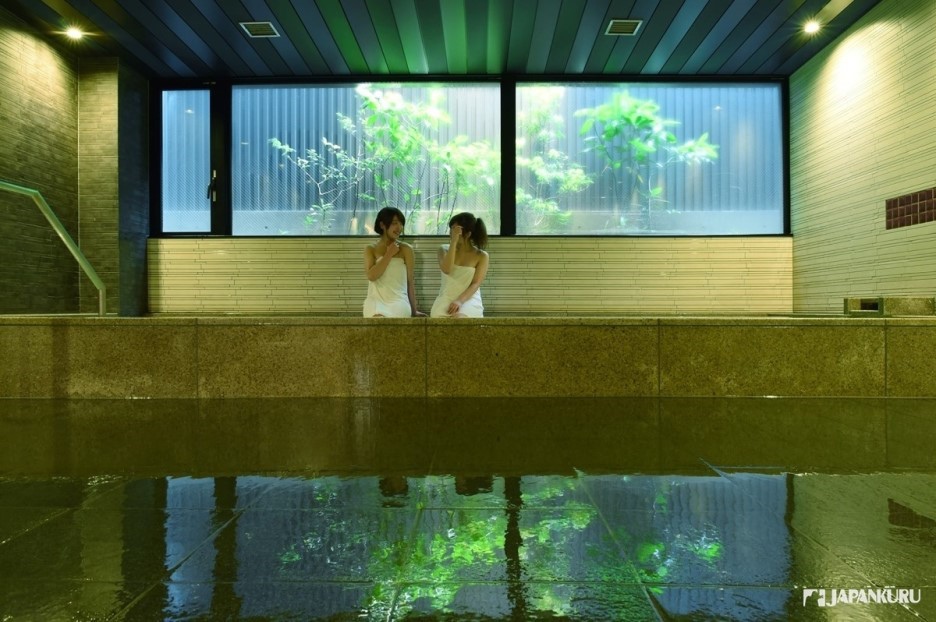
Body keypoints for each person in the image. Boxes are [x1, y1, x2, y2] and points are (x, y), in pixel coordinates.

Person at [363, 207, 424, 317]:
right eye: (395, 223)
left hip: (398, 301)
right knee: (376, 318)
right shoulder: (371, 249)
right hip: (375, 301)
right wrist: (389, 254)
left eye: (401, 224)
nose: (399, 227)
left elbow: (410, 282)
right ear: (382, 225)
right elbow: (371, 276)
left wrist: (414, 311)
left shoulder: (406, 250)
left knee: (397, 314)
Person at [430, 212, 489, 318]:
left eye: (455, 229)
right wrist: (453, 242)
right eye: (451, 229)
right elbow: (447, 269)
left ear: (468, 234)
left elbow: (475, 283)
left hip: (468, 299)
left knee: (458, 318)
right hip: (445, 298)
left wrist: (459, 301)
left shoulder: (481, 256)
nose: (451, 232)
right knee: (438, 320)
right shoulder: (443, 249)